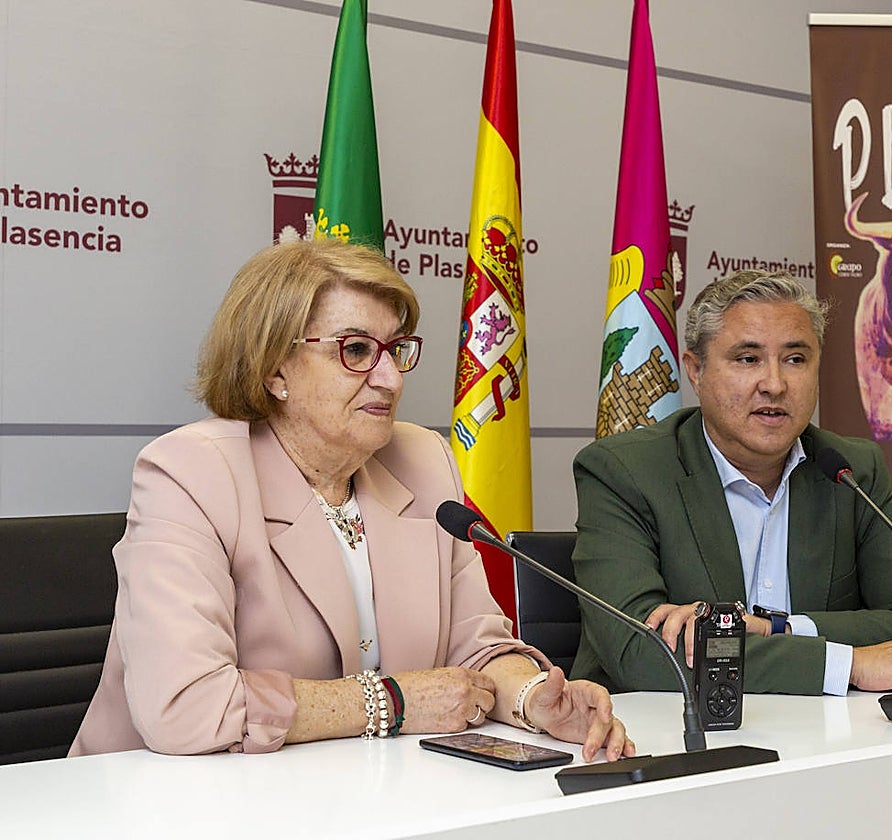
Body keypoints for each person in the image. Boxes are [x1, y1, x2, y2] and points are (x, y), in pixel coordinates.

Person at [71, 239, 633, 761]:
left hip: (358, 797)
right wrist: (390, 701)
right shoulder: (191, 473)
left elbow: (477, 646)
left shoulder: (425, 460)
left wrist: (534, 699)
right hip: (170, 805)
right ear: (275, 370)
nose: (389, 378)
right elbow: (185, 707)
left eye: (396, 350)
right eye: (357, 350)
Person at [570, 269, 892, 696]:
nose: (775, 385)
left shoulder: (850, 470)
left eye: (795, 360)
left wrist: (778, 628)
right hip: (663, 741)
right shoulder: (623, 471)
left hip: (829, 738)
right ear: (696, 371)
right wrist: (847, 663)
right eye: (748, 359)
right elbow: (641, 653)